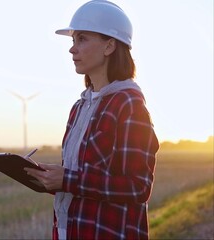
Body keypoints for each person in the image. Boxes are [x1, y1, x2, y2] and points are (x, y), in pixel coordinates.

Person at [24, 1, 159, 239]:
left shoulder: (129, 105)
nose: (72, 49)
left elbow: (138, 186)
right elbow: (80, 180)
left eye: (82, 39)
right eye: (73, 40)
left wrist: (68, 180)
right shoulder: (79, 108)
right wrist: (50, 179)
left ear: (109, 46)